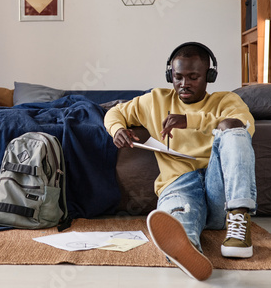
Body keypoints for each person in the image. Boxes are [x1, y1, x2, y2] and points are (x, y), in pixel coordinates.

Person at [104, 42, 256, 281]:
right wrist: (116, 130)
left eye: (194, 77)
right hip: (179, 185)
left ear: (210, 76)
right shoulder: (154, 100)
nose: (184, 84)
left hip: (220, 193)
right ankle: (185, 247)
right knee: (177, 215)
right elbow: (115, 112)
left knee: (234, 132)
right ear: (170, 76)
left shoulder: (226, 100)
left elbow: (241, 126)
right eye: (178, 77)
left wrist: (190, 120)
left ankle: (239, 220)